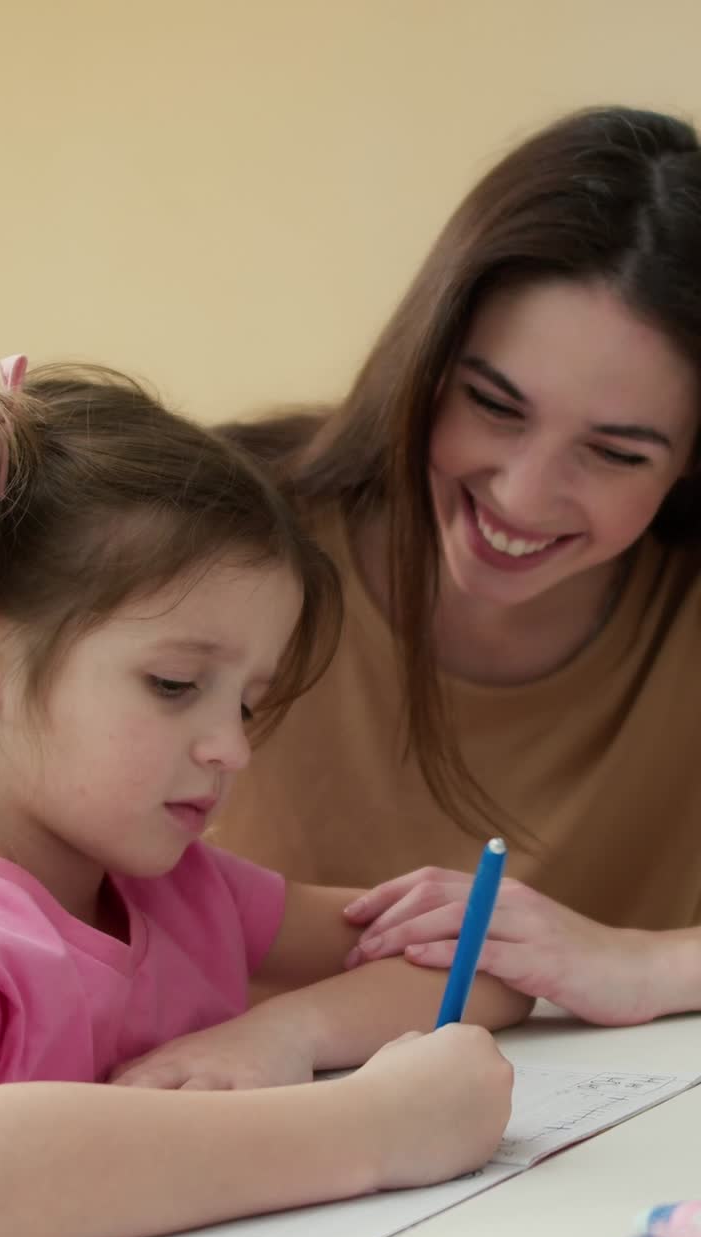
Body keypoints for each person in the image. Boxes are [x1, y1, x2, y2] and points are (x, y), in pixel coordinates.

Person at [0, 357, 522, 1237]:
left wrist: (282, 1030)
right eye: (174, 684)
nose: (231, 749)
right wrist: (372, 1128)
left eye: (246, 704)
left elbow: (486, 953)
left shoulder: (190, 894)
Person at [209, 105, 701, 1027]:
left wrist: (643, 964)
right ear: (427, 362)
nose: (524, 495)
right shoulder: (212, 536)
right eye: (494, 406)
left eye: (616, 453)